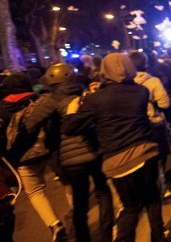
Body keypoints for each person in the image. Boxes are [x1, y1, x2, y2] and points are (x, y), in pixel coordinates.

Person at [62, 53, 166, 242]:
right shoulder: (141, 92)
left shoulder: (96, 99)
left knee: (131, 207)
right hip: (147, 151)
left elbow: (70, 128)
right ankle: (159, 237)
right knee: (152, 198)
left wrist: (71, 111)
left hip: (119, 161)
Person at [23, 63, 114, 242]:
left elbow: (30, 125)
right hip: (95, 151)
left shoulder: (50, 100)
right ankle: (106, 234)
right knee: (103, 192)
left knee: (80, 202)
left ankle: (83, 238)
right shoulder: (86, 93)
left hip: (70, 160)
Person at [1, 74, 67, 241]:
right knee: (67, 181)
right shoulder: (40, 100)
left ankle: (54, 224)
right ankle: (76, 213)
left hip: (22, 157)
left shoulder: (2, 107)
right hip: (49, 150)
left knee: (36, 191)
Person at [129, 51, 171, 202]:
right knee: (165, 155)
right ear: (145, 64)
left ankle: (151, 189)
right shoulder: (153, 81)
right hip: (155, 124)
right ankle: (170, 187)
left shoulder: (126, 83)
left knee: (145, 159)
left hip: (135, 126)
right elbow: (164, 103)